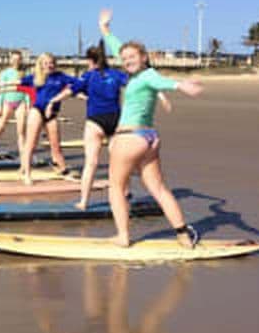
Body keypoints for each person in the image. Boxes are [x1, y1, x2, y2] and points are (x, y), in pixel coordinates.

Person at [99, 9, 202, 248]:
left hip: (130, 139)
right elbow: (117, 48)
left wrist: (181, 85)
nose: (126, 61)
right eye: (124, 59)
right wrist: (105, 29)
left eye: (132, 57)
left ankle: (123, 236)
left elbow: (160, 81)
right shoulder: (136, 75)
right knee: (158, 188)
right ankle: (183, 235)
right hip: (149, 138)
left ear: (144, 57)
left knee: (116, 187)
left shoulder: (147, 75)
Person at [47, 42, 173, 210]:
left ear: (90, 60)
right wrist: (161, 96)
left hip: (95, 122)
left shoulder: (88, 76)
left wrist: (53, 101)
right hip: (116, 121)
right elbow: (142, 81)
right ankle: (126, 194)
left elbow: (70, 91)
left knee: (91, 162)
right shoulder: (117, 74)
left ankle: (84, 201)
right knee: (121, 162)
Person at [18, 53, 77, 184]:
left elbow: (77, 85)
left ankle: (63, 171)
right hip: (37, 111)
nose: (49, 65)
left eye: (51, 63)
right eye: (46, 63)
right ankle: (26, 173)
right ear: (41, 64)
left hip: (52, 113)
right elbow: (18, 84)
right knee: (31, 144)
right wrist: (1, 86)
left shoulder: (60, 77)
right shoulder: (35, 77)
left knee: (56, 146)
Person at [0, 52, 30, 162]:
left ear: (21, 60)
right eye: (14, 59)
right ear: (10, 60)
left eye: (18, 59)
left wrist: (28, 105)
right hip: (7, 102)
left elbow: (28, 90)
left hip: (21, 102)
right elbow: (1, 91)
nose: (16, 61)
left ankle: (24, 160)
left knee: (21, 132)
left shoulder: (24, 73)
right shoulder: (5, 73)